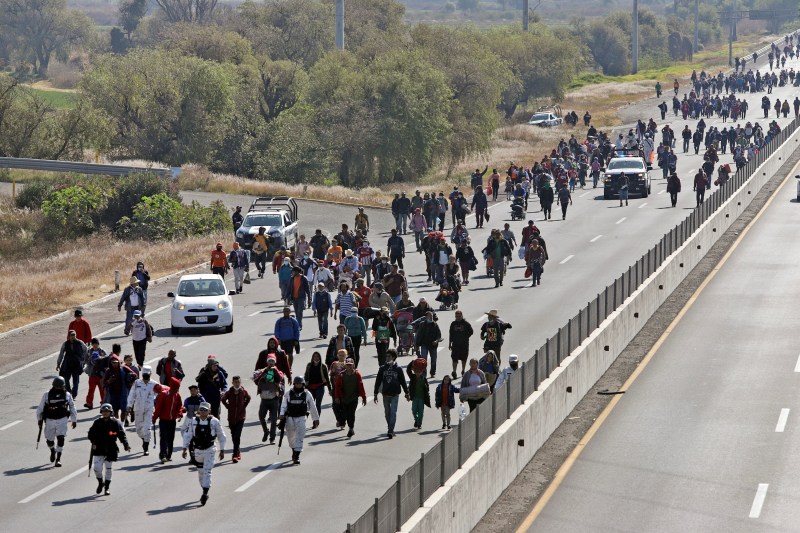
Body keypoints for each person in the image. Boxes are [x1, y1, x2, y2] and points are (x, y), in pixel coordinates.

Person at [182, 402, 226, 506]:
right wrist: (184, 448)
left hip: (210, 449)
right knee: (201, 472)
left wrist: (222, 449)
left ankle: (205, 493)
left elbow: (221, 435)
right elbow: (188, 435)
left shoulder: (214, 421)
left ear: (209, 411)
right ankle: (204, 488)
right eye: (201, 409)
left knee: (207, 471)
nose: (203, 412)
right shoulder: (193, 421)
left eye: (205, 410)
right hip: (198, 450)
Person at [88, 403, 130, 495]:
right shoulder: (97, 422)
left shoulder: (115, 422)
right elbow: (90, 433)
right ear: (101, 412)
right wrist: (93, 440)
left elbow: (121, 434)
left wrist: (126, 444)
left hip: (111, 448)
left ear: (110, 412)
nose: (105, 413)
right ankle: (100, 482)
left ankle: (107, 487)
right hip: (99, 448)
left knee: (108, 468)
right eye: (104, 411)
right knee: (97, 469)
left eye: (107, 411)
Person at [36, 376, 77, 467]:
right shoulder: (47, 395)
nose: (58, 388)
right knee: (49, 441)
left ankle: (58, 459)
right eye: (56, 386)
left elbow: (72, 407)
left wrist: (74, 420)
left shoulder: (67, 395)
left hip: (62, 420)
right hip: (50, 420)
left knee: (61, 438)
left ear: (63, 386)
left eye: (60, 386)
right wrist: (39, 419)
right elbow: (40, 408)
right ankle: (52, 450)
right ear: (53, 386)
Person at [279, 376, 320, 465]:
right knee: (291, 437)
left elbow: (313, 406)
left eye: (300, 383)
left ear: (303, 384)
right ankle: (294, 450)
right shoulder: (288, 393)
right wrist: (281, 414)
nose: (298, 385)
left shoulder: (307, 394)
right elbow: (283, 405)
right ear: (294, 384)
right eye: (296, 383)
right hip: (290, 418)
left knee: (300, 436)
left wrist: (316, 419)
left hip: (301, 418)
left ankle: (297, 455)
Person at [373, 348, 409, 438]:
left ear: (394, 357)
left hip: (395, 395)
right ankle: (390, 427)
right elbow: (378, 381)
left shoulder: (398, 369)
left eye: (389, 356)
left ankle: (390, 430)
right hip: (385, 394)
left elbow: (403, 381)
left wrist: (406, 393)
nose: (387, 358)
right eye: (386, 356)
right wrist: (375, 394)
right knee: (387, 413)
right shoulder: (382, 368)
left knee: (393, 412)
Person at [127, 365, 160, 455]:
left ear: (150, 374)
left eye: (147, 374)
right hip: (138, 409)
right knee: (139, 430)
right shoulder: (137, 383)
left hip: (149, 409)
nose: (146, 376)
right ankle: (144, 439)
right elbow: (131, 395)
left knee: (147, 429)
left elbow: (160, 395)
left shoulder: (154, 384)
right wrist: (129, 406)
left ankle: (146, 446)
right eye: (144, 374)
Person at [152, 377, 183, 463]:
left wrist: (180, 413)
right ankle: (163, 455)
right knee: (163, 438)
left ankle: (169, 454)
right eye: (176, 388)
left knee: (171, 438)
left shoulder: (177, 395)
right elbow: (158, 407)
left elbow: (180, 406)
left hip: (172, 420)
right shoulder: (164, 394)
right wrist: (154, 417)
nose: (177, 390)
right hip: (163, 420)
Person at [333, 358, 366, 438]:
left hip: (353, 398)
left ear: (353, 366)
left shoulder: (357, 375)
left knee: (351, 414)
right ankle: (348, 426)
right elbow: (337, 387)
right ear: (345, 366)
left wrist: (364, 397)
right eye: (347, 365)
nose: (349, 367)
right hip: (344, 399)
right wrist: (337, 397)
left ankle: (351, 428)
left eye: (350, 366)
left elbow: (361, 386)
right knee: (346, 414)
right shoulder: (341, 375)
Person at [255, 355, 284, 444]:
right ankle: (266, 431)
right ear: (267, 362)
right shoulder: (263, 371)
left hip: (274, 399)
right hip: (264, 399)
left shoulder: (278, 371)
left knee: (274, 419)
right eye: (269, 361)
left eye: (272, 361)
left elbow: (280, 379)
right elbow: (256, 380)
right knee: (261, 417)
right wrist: (264, 373)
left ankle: (272, 437)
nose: (271, 363)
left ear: (275, 362)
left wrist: (274, 371)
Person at [221, 376, 251, 463]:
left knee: (237, 436)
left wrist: (243, 406)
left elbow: (248, 398)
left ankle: (234, 454)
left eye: (238, 382)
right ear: (232, 383)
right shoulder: (229, 392)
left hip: (240, 418)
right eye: (235, 382)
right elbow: (223, 400)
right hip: (231, 418)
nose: (237, 384)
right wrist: (228, 407)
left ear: (240, 383)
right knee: (234, 436)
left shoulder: (243, 391)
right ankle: (237, 451)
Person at [56, 330, 87, 399]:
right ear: (68, 336)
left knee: (76, 381)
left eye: (74, 335)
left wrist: (83, 360)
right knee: (66, 380)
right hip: (67, 364)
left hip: (77, 364)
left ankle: (74, 394)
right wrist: (58, 363)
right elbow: (61, 354)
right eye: (71, 335)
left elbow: (86, 350)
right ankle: (69, 392)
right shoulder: (65, 344)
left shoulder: (80, 343)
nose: (73, 337)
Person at [102, 355, 133, 420]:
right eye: (113, 362)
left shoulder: (124, 368)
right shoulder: (108, 371)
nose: (114, 364)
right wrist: (109, 381)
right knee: (115, 410)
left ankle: (122, 424)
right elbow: (104, 383)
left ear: (118, 362)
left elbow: (134, 375)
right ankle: (117, 422)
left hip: (123, 393)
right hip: (113, 393)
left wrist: (129, 378)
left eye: (115, 362)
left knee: (124, 410)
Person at [304, 352, 331, 419]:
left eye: (317, 357)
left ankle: (316, 419)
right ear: (312, 358)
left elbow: (327, 378)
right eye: (314, 357)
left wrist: (330, 389)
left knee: (317, 404)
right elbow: (306, 376)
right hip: (310, 387)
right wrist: (305, 386)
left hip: (320, 387)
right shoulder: (309, 365)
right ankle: (314, 417)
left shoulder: (323, 366)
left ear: (320, 358)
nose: (316, 358)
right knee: (311, 405)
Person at [415, 310, 442, 378]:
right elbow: (418, 335)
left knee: (433, 360)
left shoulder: (435, 325)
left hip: (433, 346)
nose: (431, 317)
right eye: (429, 316)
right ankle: (424, 374)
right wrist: (417, 345)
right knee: (423, 360)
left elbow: (439, 336)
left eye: (432, 316)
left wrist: (436, 341)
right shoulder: (422, 324)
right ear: (426, 317)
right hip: (424, 345)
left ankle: (432, 373)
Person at [448, 310, 473, 378]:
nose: (458, 317)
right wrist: (450, 343)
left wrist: (465, 337)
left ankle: (463, 370)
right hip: (455, 344)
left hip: (464, 344)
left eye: (459, 316)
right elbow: (451, 334)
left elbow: (471, 331)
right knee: (454, 358)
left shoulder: (466, 324)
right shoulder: (453, 324)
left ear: (462, 316)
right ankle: (454, 371)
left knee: (464, 358)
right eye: (456, 316)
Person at [84, 339, 108, 409]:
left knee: (102, 389)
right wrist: (90, 360)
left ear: (98, 344)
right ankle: (89, 403)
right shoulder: (89, 351)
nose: (94, 345)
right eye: (93, 344)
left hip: (101, 375)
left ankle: (103, 402)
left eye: (96, 344)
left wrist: (100, 359)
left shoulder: (102, 351)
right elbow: (85, 360)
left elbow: (106, 360)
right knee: (91, 389)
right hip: (92, 374)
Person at [407, 359, 430, 429]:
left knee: (420, 412)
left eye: (419, 372)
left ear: (422, 372)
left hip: (421, 398)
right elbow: (408, 370)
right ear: (414, 371)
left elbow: (427, 388)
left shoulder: (424, 379)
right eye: (416, 371)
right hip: (414, 398)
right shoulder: (412, 377)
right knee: (414, 411)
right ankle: (416, 420)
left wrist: (427, 395)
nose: (417, 373)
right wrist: (412, 362)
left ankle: (419, 423)